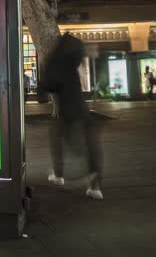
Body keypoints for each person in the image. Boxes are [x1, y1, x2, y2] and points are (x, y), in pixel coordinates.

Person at [41, 33, 104, 200]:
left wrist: (45, 79)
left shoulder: (57, 63)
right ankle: (95, 186)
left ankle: (59, 174)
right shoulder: (73, 61)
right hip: (82, 108)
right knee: (91, 143)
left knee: (57, 138)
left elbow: (50, 84)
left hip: (67, 110)